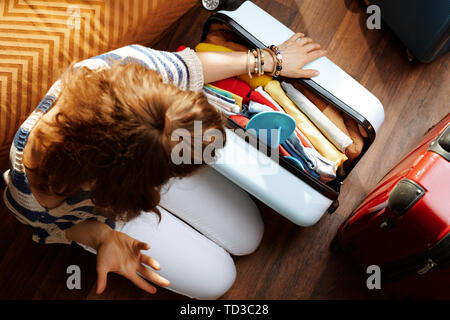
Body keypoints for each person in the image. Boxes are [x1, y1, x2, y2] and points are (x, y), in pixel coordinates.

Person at [2, 33, 325, 299]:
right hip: (103, 207)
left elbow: (192, 67)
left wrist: (267, 59)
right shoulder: (35, 188)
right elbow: (48, 226)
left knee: (249, 234)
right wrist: (101, 238)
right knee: (216, 281)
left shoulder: (132, 73)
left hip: (133, 163)